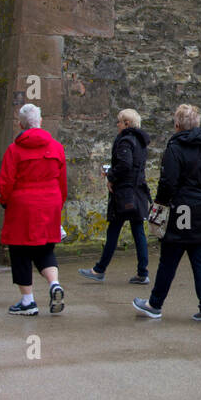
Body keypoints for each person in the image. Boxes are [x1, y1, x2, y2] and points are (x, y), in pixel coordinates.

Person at [133, 104, 201, 323]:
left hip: (182, 209)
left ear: (177, 125)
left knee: (169, 258)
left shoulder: (175, 149)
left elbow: (168, 183)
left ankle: (155, 304)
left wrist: (162, 204)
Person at [0, 103, 68, 316]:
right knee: (45, 248)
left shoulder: (14, 150)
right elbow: (63, 182)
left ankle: (28, 301)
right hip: (50, 201)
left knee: (19, 250)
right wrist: (58, 203)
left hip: (22, 204)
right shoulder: (56, 147)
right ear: (41, 122)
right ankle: (54, 283)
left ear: (20, 125)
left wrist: (5, 200)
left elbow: (6, 181)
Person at [79, 108, 150, 284]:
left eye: (119, 122)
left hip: (125, 194)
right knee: (138, 230)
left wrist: (111, 175)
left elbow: (125, 165)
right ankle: (142, 272)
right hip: (138, 191)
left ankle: (99, 270)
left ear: (126, 123)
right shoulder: (140, 141)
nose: (117, 125)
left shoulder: (126, 141)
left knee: (114, 231)